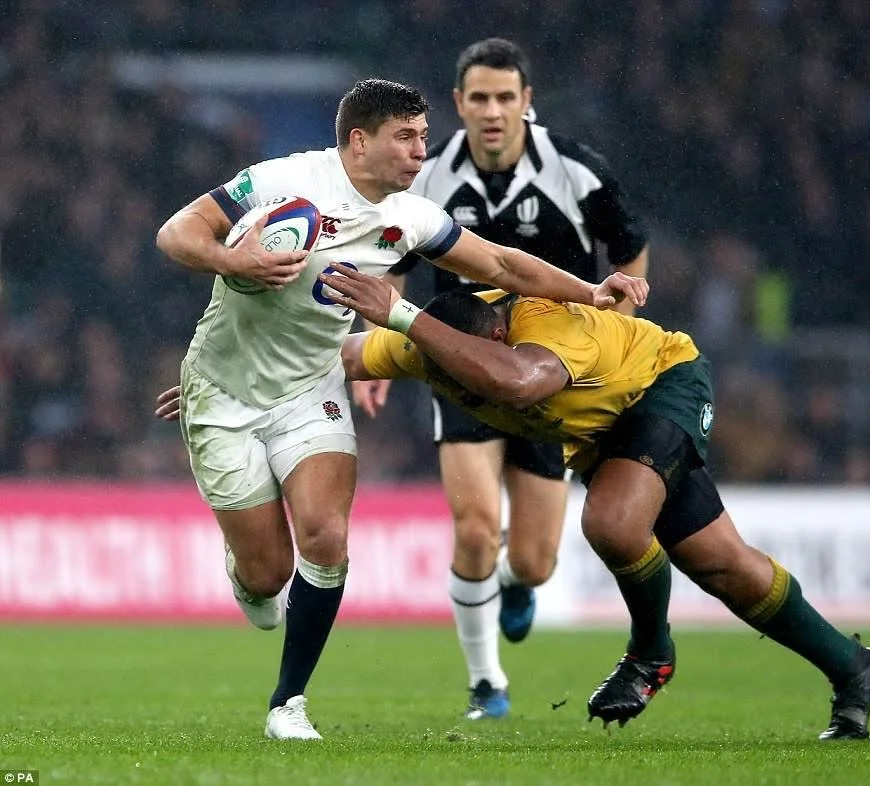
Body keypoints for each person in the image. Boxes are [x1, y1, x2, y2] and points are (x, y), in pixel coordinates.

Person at [154, 77, 648, 740]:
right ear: (360, 141)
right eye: (406, 137)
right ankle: (248, 576)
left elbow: (501, 264)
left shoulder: (409, 217)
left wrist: (590, 290)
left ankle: (288, 704)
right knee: (270, 575)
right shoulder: (284, 181)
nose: (421, 151)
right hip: (223, 393)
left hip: (312, 387)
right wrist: (230, 260)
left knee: (327, 538)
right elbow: (175, 233)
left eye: (423, 137)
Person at [313, 263, 870, 741]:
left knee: (614, 523)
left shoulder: (545, 324)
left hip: (662, 384)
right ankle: (855, 669)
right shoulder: (424, 345)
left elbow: (518, 381)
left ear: (495, 337)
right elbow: (335, 357)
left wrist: (403, 313)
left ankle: (650, 654)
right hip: (605, 435)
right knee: (723, 565)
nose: (458, 386)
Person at [351, 38, 650, 720]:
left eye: (505, 98)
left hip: (552, 374)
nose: (492, 111)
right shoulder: (427, 175)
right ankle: (486, 683)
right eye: (480, 98)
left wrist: (620, 329)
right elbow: (391, 263)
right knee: (477, 527)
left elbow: (629, 249)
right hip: (461, 364)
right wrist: (375, 351)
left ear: (526, 102)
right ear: (459, 103)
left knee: (537, 562)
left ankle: (513, 583)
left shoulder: (576, 171)